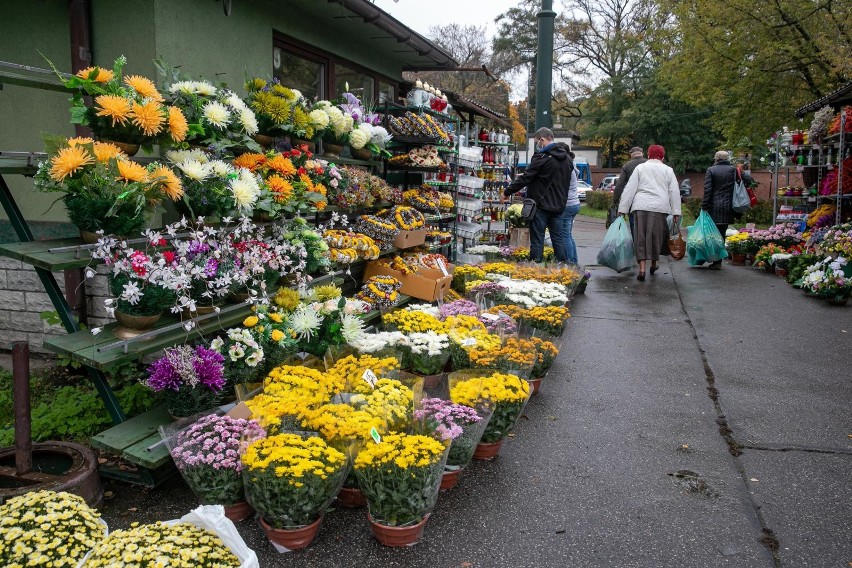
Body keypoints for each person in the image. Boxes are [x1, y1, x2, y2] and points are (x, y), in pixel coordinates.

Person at [504, 127, 571, 263]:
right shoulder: (567, 159)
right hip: (558, 206)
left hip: (540, 205)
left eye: (537, 142)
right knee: (558, 239)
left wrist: (507, 192)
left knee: (537, 240)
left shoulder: (542, 157)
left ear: (542, 140)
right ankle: (564, 269)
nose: (537, 145)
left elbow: (526, 178)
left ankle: (536, 268)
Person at [617, 144, 681, 281]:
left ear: (649, 154)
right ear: (662, 156)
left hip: (640, 206)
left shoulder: (640, 168)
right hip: (660, 208)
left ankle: (641, 269)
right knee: (656, 236)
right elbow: (674, 191)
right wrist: (676, 212)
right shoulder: (668, 170)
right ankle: (654, 263)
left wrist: (622, 208)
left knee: (641, 237)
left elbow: (630, 189)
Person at [702, 150, 739, 270]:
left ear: (716, 159)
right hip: (729, 206)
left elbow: (708, 190)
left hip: (714, 206)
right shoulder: (733, 170)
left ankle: (711, 258)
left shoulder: (711, 170)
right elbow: (747, 180)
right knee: (722, 233)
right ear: (727, 159)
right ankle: (718, 260)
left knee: (712, 233)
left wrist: (704, 205)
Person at [608, 146, 647, 228]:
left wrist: (615, 201)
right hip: (649, 199)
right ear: (642, 154)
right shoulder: (648, 163)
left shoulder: (627, 166)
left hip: (633, 200)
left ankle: (635, 240)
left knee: (633, 223)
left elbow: (620, 185)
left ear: (631, 155)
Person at [555, 145, 581, 264]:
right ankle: (574, 261)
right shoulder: (573, 165)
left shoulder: (567, 167)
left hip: (567, 204)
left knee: (565, 235)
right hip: (574, 203)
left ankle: (570, 263)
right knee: (568, 235)